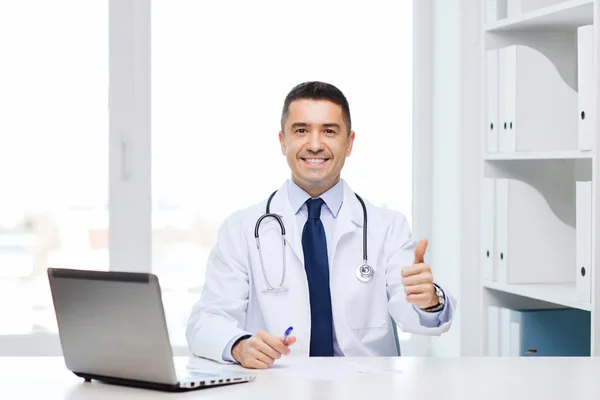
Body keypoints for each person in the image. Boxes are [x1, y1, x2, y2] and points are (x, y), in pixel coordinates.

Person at [186, 81, 456, 369]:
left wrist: (429, 300)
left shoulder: (388, 227)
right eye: (301, 130)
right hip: (276, 388)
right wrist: (239, 346)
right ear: (282, 141)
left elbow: (414, 312)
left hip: (366, 390)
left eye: (329, 131)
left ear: (349, 143)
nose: (315, 145)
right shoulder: (241, 228)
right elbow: (207, 320)